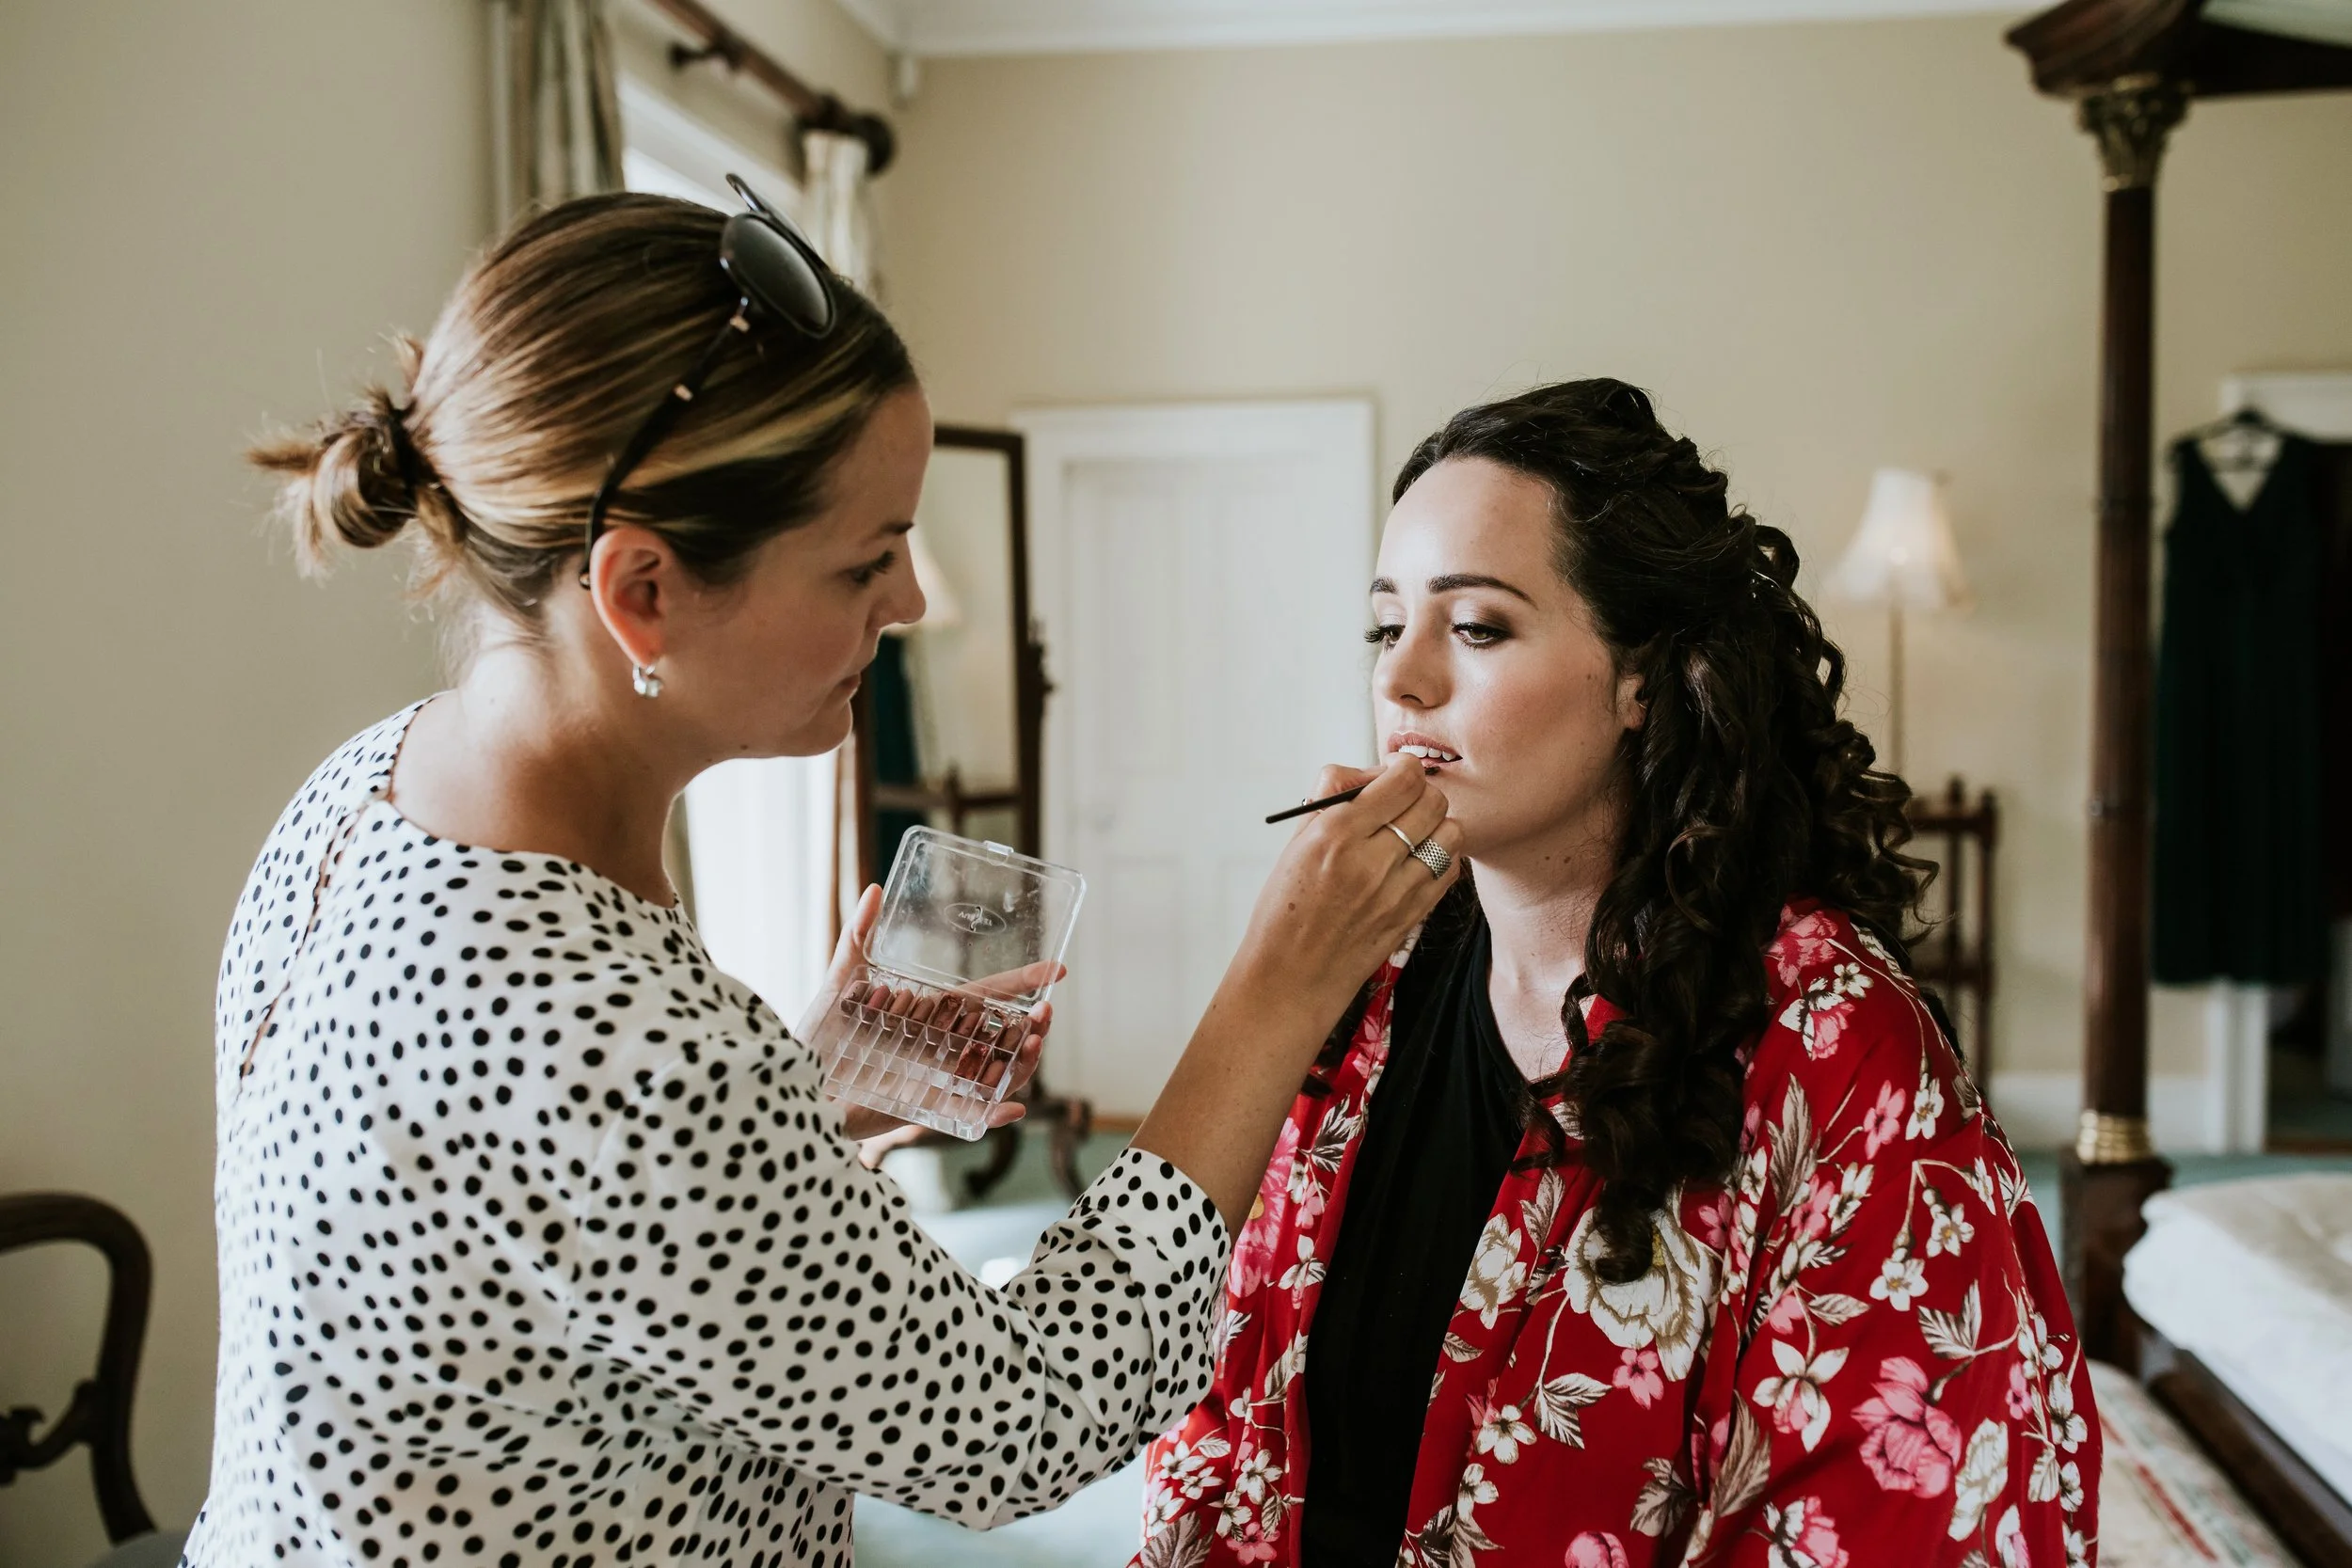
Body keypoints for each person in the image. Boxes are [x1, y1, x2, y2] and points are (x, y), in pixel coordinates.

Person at [185, 183, 1464, 1568]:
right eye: (867, 558)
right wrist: (1280, 981)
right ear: (643, 594)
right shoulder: (627, 1057)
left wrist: (794, 1097)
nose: (909, 602)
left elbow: (544, 1228)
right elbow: (1019, 1415)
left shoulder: (370, 787)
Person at [1139, 381, 2098, 1568]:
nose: (1402, 681)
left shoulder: (1834, 1048)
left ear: (1643, 678)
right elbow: (1224, 1401)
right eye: (1388, 627)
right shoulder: (1362, 974)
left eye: (1476, 627)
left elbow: (1898, 1513)